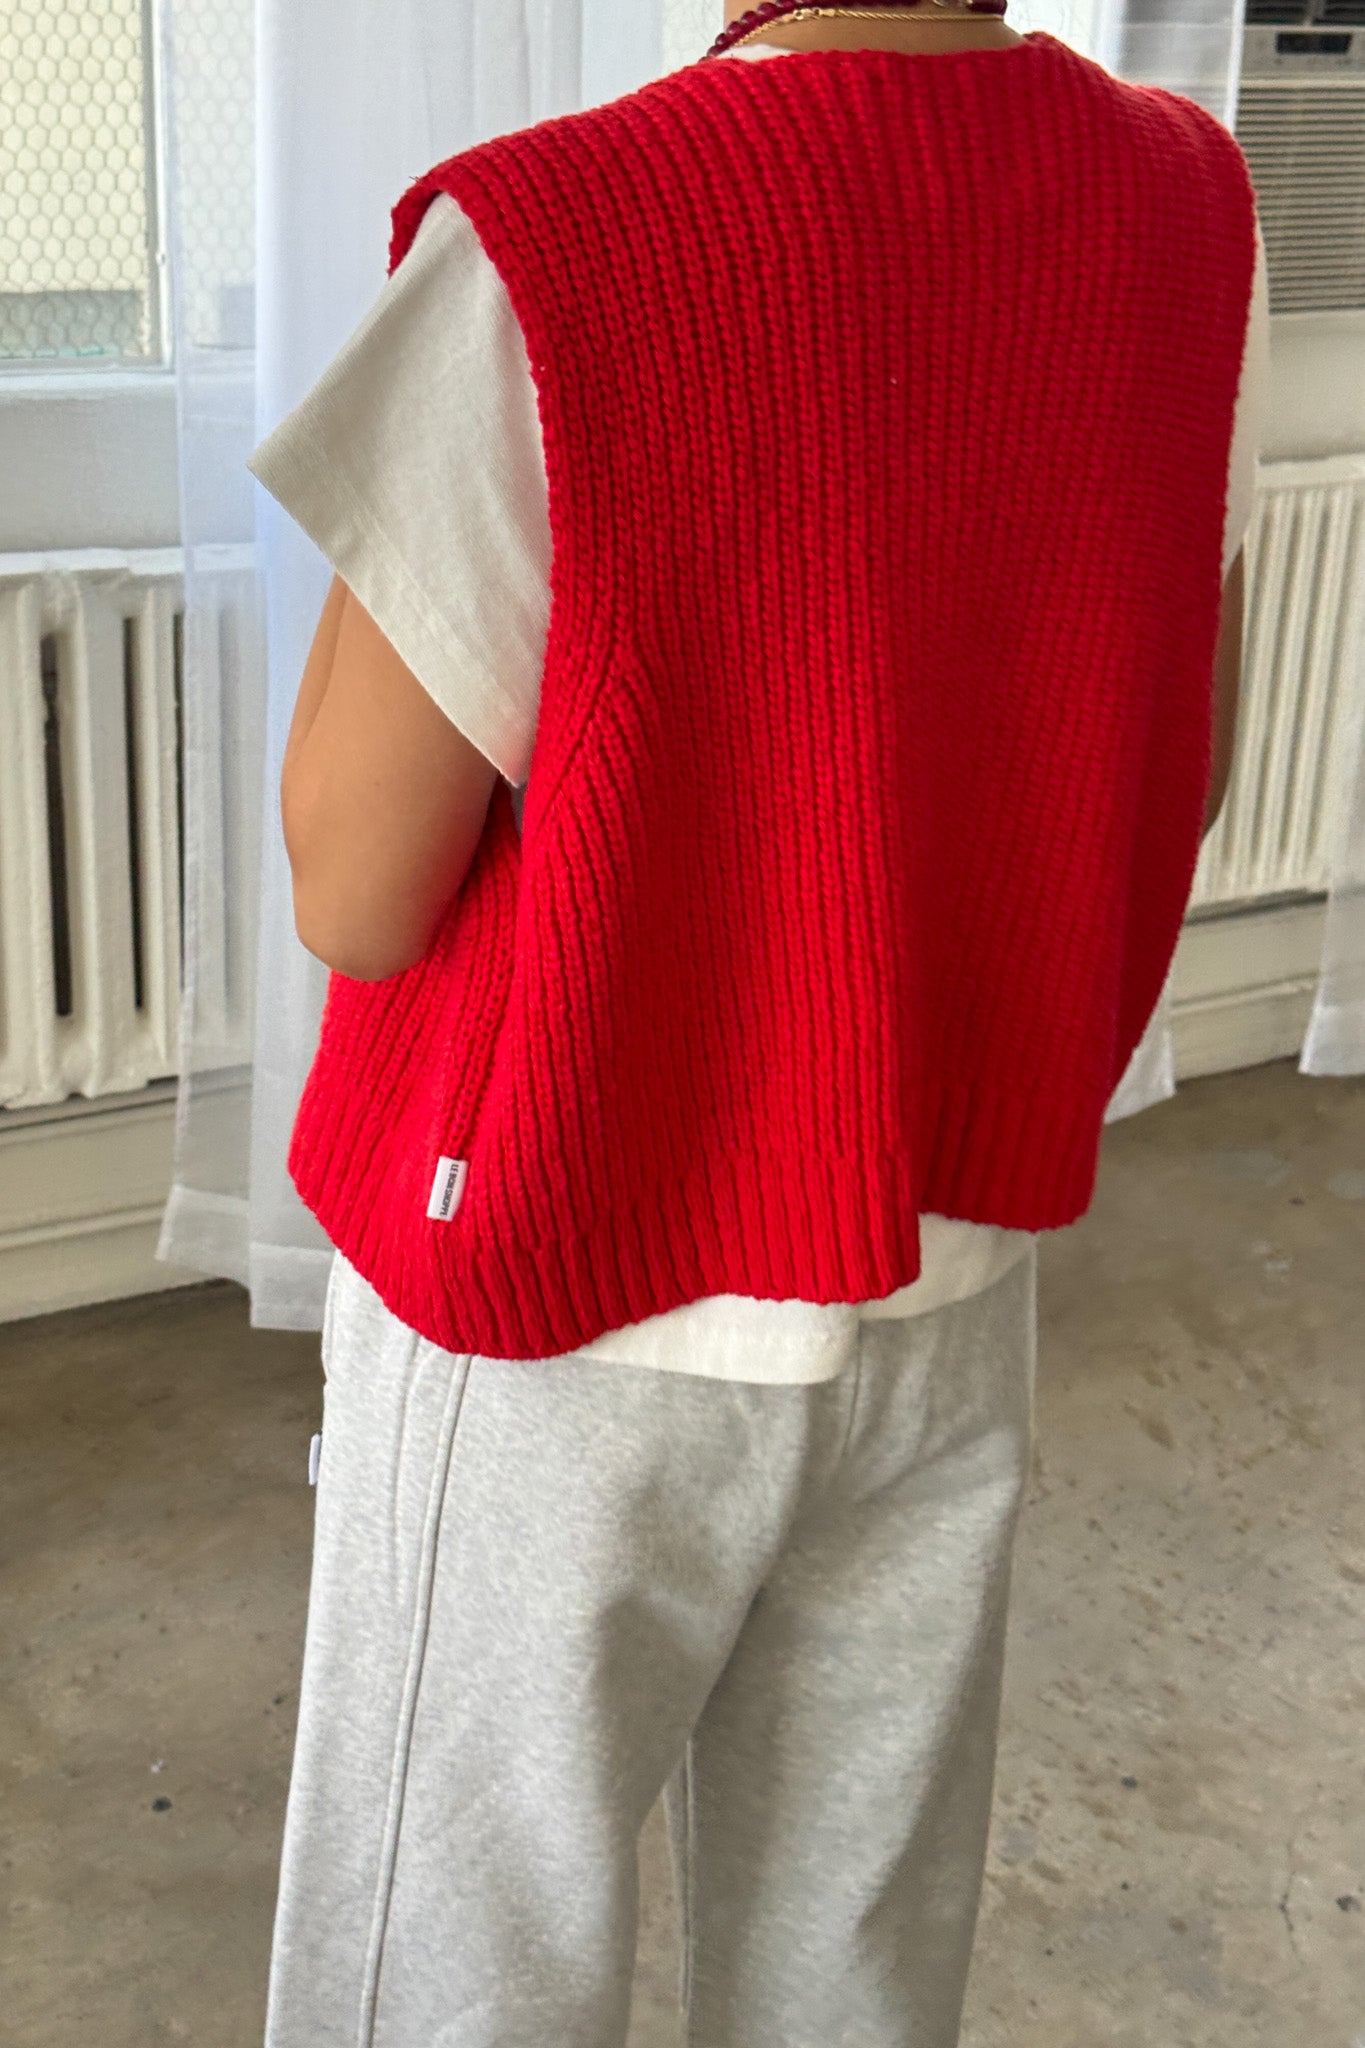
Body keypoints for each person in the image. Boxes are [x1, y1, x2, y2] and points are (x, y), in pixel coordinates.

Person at [247, 2, 1269, 2040]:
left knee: (448, 1978)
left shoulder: (554, 240)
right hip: (943, 1273)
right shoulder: (1184, 203)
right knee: (850, 1971)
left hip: (564, 1302)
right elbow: (1180, 743)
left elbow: (356, 892)